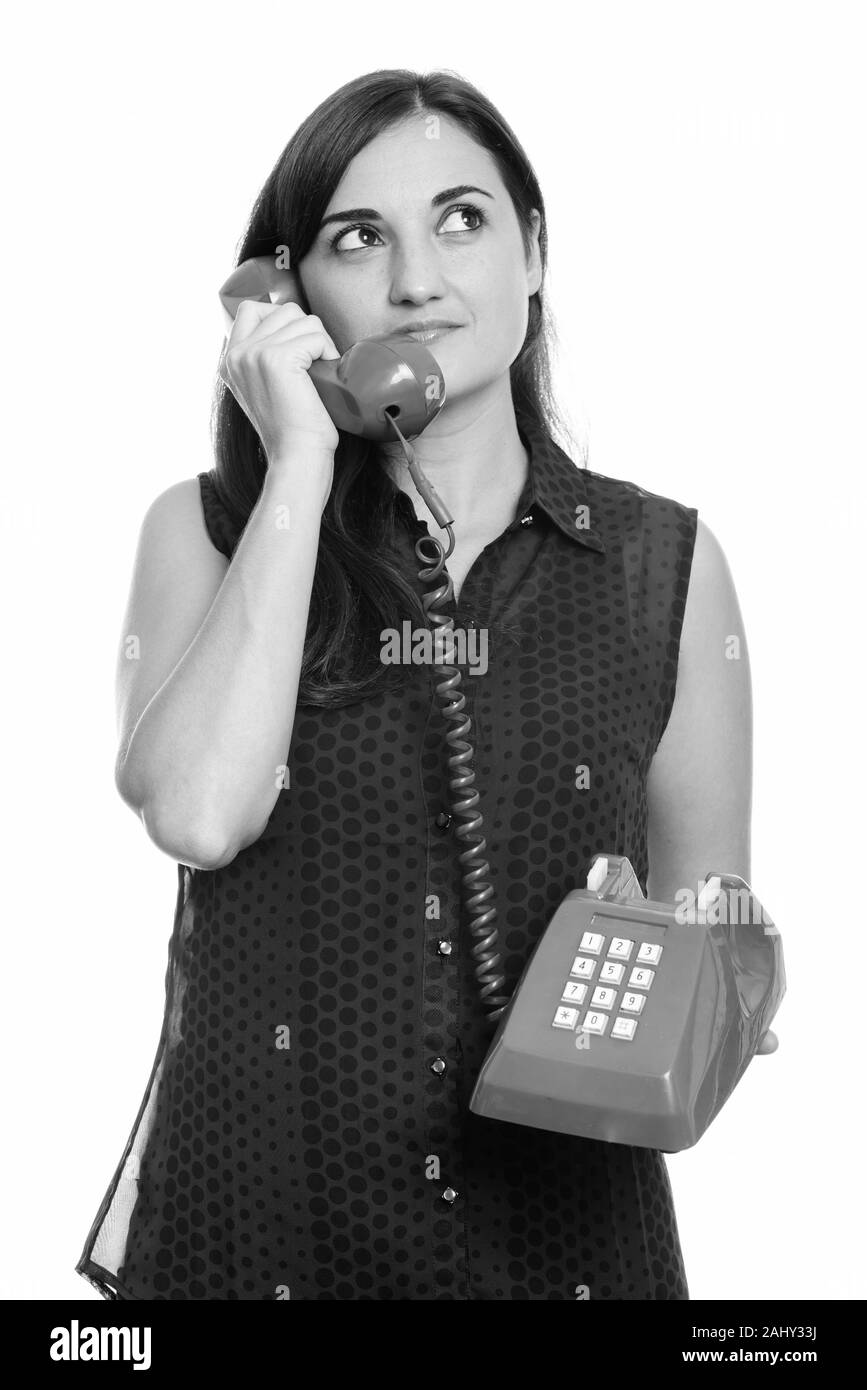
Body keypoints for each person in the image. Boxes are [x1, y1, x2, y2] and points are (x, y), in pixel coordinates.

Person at [76, 68, 753, 1301]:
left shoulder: (667, 569)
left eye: (462, 219)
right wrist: (296, 469)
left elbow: (719, 937)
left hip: (561, 1252)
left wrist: (692, 987)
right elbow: (197, 812)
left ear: (533, 252)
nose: (417, 280)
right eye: (356, 238)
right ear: (283, 298)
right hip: (260, 1234)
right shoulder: (206, 533)